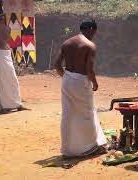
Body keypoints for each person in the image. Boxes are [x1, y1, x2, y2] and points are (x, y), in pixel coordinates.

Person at [55, 18, 107, 158]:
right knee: (87, 114)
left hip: (67, 80)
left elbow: (57, 65)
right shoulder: (89, 45)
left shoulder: (67, 43)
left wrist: (67, 77)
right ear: (90, 29)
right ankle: (89, 147)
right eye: (93, 32)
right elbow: (89, 70)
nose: (93, 35)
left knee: (68, 114)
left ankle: (68, 150)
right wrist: (95, 83)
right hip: (81, 81)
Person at [0, 6, 28, 112]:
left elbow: (6, 42)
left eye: (2, 15)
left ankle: (17, 104)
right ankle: (2, 106)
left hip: (7, 54)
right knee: (1, 81)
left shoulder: (8, 28)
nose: (0, 17)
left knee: (13, 79)